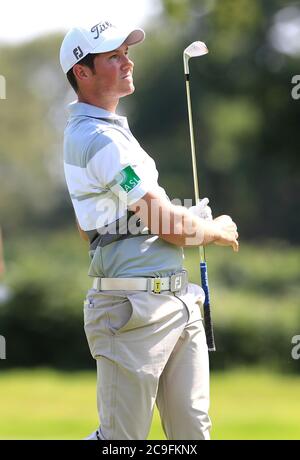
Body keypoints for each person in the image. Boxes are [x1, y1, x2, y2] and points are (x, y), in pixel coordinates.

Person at [59, 20, 239, 441]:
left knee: (192, 434)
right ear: (82, 73)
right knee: (121, 441)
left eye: (126, 53)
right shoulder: (100, 139)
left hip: (176, 302)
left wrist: (182, 219)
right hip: (131, 310)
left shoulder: (110, 133)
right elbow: (164, 224)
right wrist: (212, 229)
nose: (128, 62)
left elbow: (93, 229)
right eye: (113, 57)